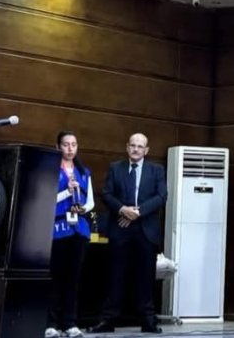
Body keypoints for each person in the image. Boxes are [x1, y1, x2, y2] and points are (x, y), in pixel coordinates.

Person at [88, 133, 168, 334]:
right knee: (115, 276)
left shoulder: (156, 170)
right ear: (127, 147)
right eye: (132, 145)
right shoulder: (116, 168)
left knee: (145, 277)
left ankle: (148, 321)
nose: (136, 149)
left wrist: (137, 212)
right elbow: (106, 194)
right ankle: (108, 320)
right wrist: (123, 209)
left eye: (140, 146)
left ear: (146, 150)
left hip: (146, 230)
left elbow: (161, 196)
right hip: (120, 228)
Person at [46, 131, 95, 338]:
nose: (70, 148)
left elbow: (90, 202)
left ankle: (70, 323)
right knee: (56, 277)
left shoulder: (83, 171)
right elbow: (46, 199)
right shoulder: (50, 169)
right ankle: (51, 323)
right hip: (58, 229)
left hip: (78, 229)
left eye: (74, 144)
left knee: (73, 279)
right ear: (58, 146)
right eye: (66, 144)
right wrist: (67, 191)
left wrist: (82, 208)